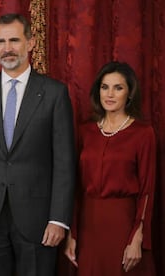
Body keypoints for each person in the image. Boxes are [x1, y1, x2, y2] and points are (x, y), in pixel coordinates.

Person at [0, 13, 76, 276]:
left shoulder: (55, 93)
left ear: (31, 43)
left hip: (38, 220)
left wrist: (58, 219)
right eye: (0, 41)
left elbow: (64, 162)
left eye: (14, 40)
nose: (7, 48)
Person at [64, 61, 157, 275]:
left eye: (118, 87)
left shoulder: (143, 133)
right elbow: (74, 187)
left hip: (123, 224)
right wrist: (72, 233)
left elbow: (147, 191)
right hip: (88, 227)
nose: (110, 94)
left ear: (130, 93)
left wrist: (138, 236)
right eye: (104, 87)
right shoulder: (85, 131)